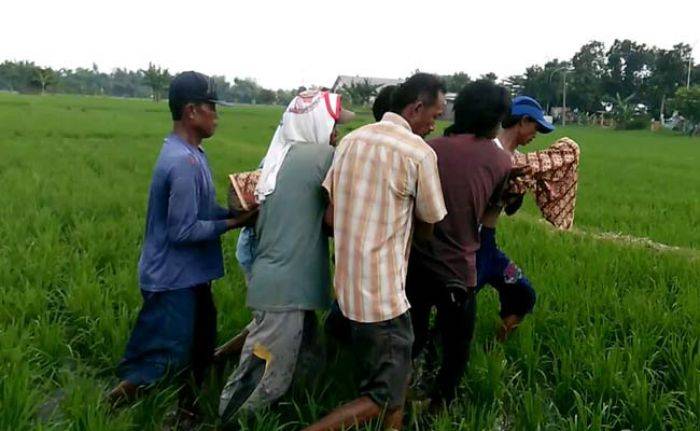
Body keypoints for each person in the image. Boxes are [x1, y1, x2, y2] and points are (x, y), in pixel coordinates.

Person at [106, 72, 255, 418]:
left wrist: (237, 210)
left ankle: (189, 412)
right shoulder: (183, 162)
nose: (216, 115)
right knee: (162, 357)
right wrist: (234, 222)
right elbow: (183, 230)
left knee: (201, 347)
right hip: (172, 279)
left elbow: (202, 212)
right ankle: (110, 407)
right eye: (211, 107)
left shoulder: (193, 153)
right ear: (191, 111)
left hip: (190, 276)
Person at [304, 73, 448, 431]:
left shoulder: (351, 141)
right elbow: (430, 223)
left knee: (394, 385)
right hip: (382, 298)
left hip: (347, 286)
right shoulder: (419, 153)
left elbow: (330, 214)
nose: (436, 124)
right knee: (383, 395)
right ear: (416, 107)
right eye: (435, 114)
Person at [219, 90, 355, 426]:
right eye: (333, 123)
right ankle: (229, 421)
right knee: (264, 374)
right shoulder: (321, 156)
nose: (336, 132)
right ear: (315, 123)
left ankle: (282, 414)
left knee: (305, 357)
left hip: (281, 280)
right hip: (287, 287)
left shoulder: (282, 154)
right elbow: (333, 220)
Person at [406, 80, 513, 407]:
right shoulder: (501, 162)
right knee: (456, 351)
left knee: (413, 336)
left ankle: (400, 397)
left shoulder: (428, 149)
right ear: (494, 117)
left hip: (416, 263)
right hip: (459, 270)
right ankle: (438, 407)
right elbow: (489, 216)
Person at [479, 96, 554, 340]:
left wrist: (518, 190)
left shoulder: (518, 159)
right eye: (536, 128)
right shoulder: (491, 152)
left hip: (487, 243)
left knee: (523, 293)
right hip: (470, 243)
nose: (536, 135)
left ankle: (497, 343)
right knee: (457, 308)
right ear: (523, 121)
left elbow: (509, 210)